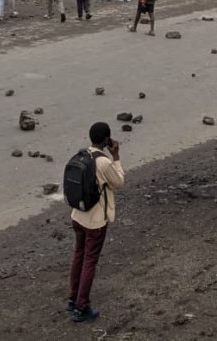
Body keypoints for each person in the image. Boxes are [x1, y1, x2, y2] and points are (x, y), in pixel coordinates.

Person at [68, 121, 126, 323]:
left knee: (79, 256)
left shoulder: (82, 154)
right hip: (95, 221)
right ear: (106, 140)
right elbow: (119, 182)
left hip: (78, 215)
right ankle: (81, 307)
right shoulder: (103, 162)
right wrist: (116, 156)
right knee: (90, 261)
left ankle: (73, 297)